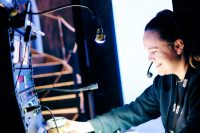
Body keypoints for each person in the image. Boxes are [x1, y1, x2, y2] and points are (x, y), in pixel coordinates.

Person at [62, 9, 200, 133]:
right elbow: (134, 111)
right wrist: (85, 126)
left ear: (178, 46)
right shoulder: (164, 83)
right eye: (148, 52)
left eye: (154, 51)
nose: (149, 58)